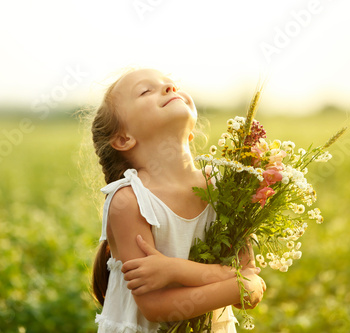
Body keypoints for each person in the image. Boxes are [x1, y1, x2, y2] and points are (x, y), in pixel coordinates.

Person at [90, 68, 266, 332]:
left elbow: (249, 282)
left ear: (191, 133)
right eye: (146, 91)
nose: (170, 88)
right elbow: (155, 307)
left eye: (171, 84)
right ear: (124, 138)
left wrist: (174, 270)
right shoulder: (129, 201)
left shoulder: (228, 186)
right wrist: (237, 285)